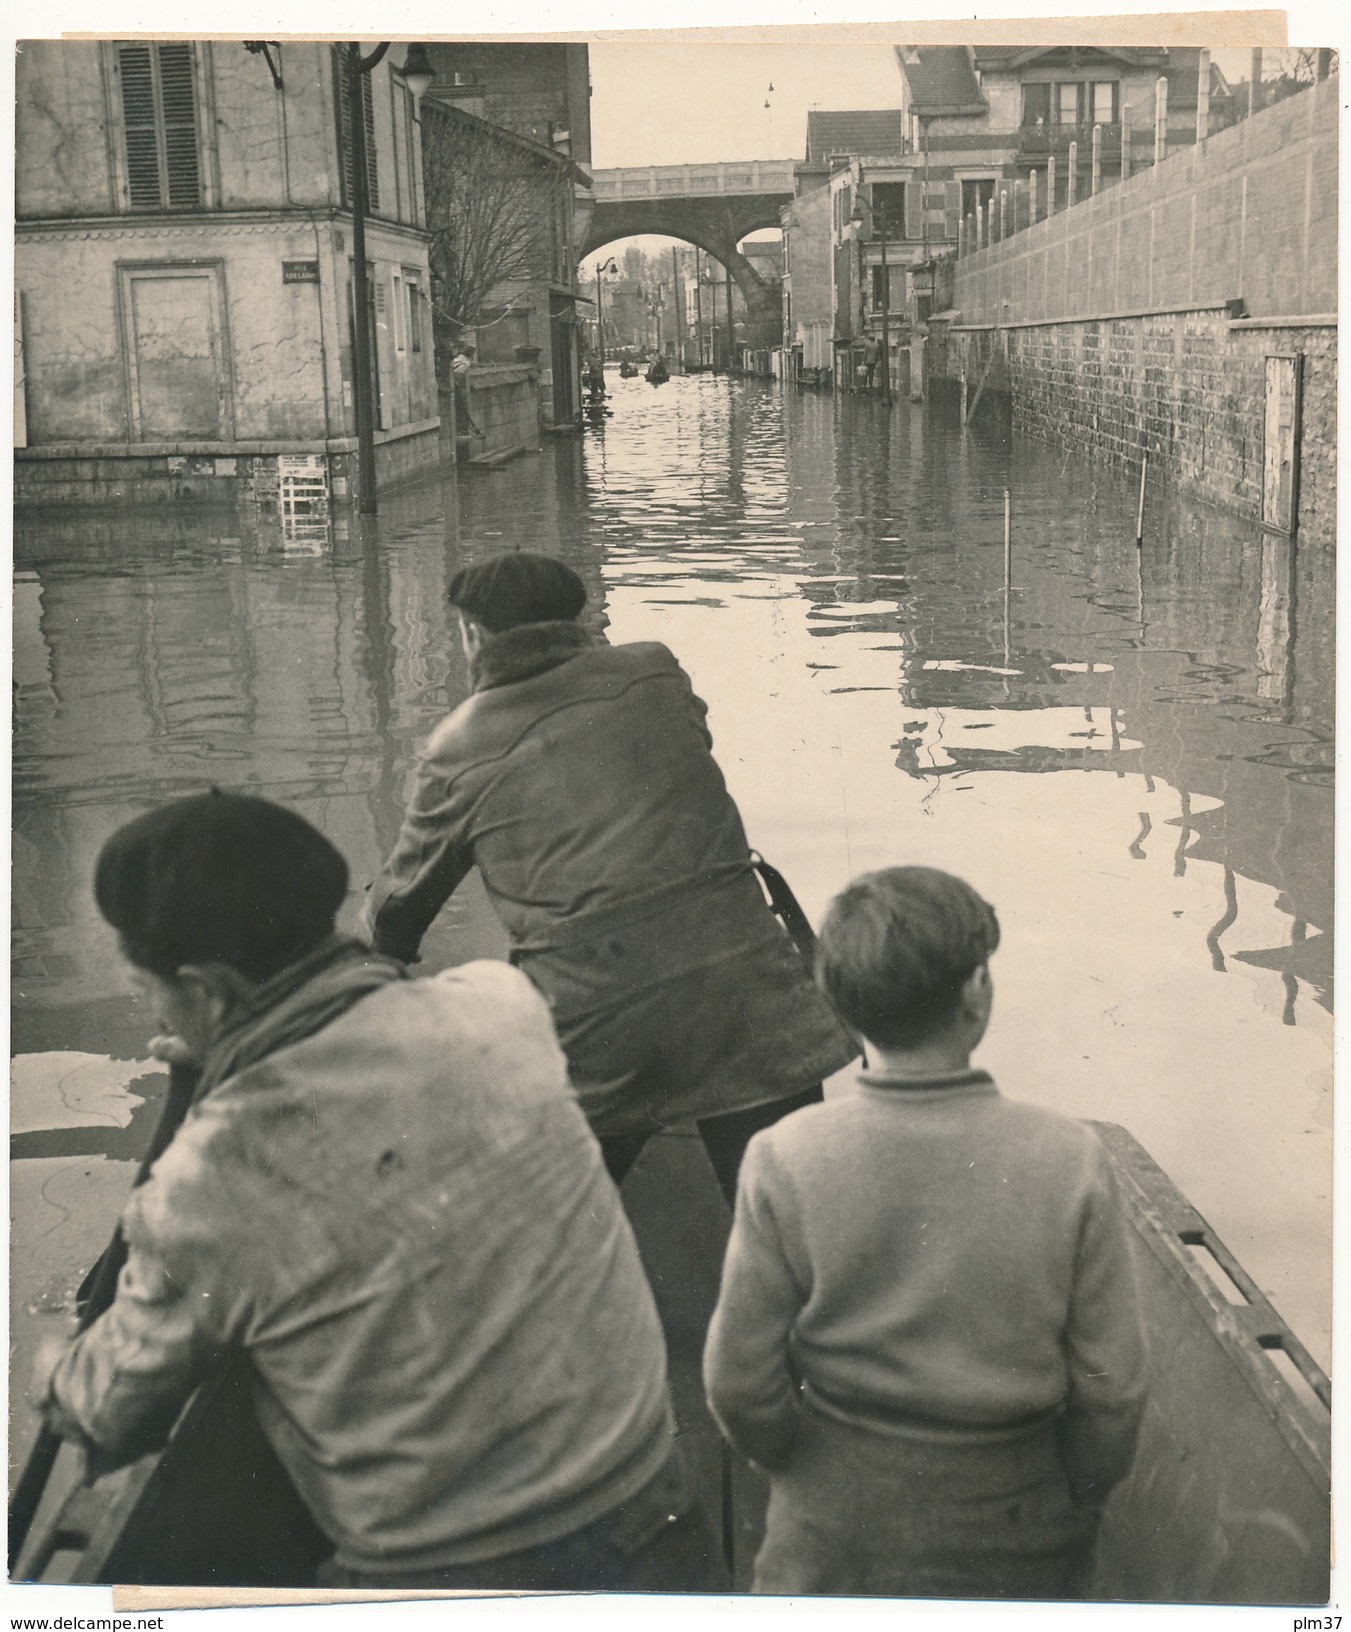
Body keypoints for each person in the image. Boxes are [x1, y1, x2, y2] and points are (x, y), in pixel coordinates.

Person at [40, 791, 722, 1592]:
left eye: (151, 991)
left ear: (209, 989)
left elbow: (105, 1419)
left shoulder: (210, 1180)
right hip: (661, 1523)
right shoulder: (501, 1006)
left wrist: (52, 1366)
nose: (154, 1010)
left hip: (449, 1583)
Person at [703, 866, 1148, 1598]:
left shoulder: (783, 1156)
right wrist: (1077, 1495)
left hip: (830, 1542)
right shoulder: (1069, 1158)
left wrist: (803, 1472)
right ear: (975, 994)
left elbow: (737, 1383)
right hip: (1018, 1532)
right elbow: (1113, 1392)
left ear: (838, 1002)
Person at [362, 553, 857, 1204]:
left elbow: (396, 916)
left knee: (556, 1232)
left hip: (595, 1029)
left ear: (472, 637)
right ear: (580, 619)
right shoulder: (655, 671)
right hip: (748, 1001)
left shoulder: (456, 747)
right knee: (787, 1223)